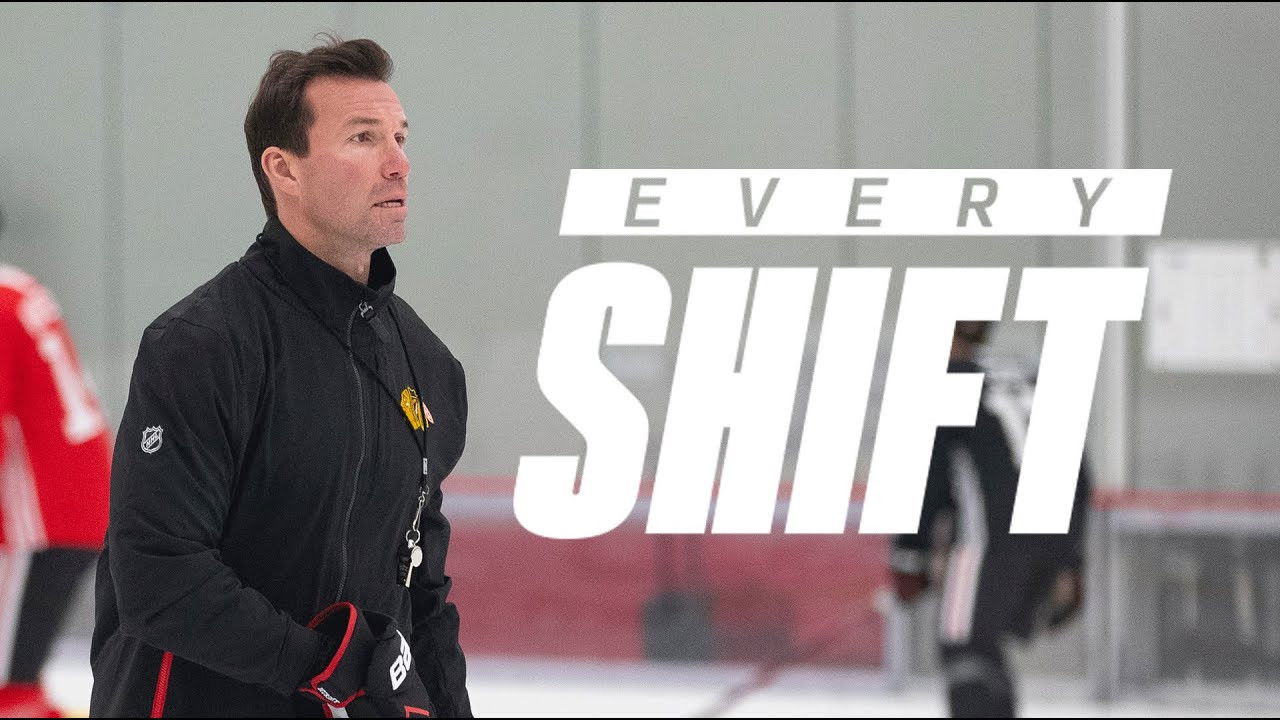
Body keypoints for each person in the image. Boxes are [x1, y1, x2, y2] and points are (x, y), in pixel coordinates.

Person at [90, 37, 470, 717]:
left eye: (400, 137)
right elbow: (158, 576)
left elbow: (423, 595)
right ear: (283, 170)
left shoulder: (428, 364)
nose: (398, 163)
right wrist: (324, 667)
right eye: (363, 138)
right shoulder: (204, 344)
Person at [889, 321, 1090, 718]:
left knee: (963, 645)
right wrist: (1071, 561)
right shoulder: (1027, 377)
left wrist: (909, 562)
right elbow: (1078, 471)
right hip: (1049, 545)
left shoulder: (947, 384)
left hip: (988, 547)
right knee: (985, 649)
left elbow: (926, 481)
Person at [0, 244, 112, 717]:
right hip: (70, 506)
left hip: (40, 520)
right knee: (17, 681)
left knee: (11, 688)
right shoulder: (16, 288)